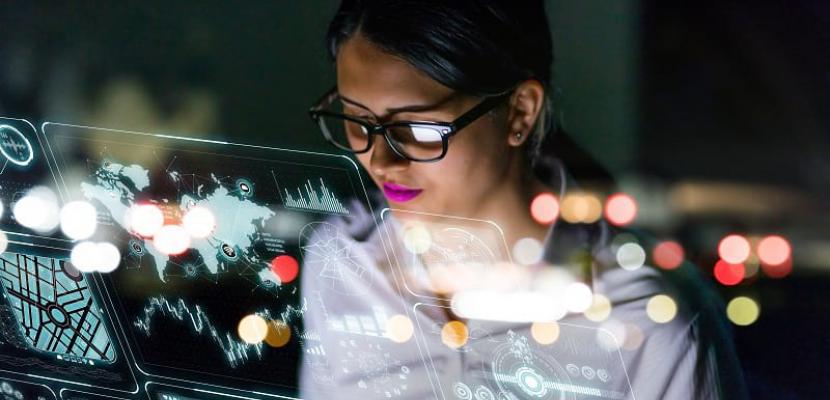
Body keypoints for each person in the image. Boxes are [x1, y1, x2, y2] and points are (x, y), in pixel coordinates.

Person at [298, 1, 747, 399]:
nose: (380, 160)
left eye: (418, 129)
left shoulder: (649, 325)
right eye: (355, 122)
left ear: (519, 112)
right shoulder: (340, 266)